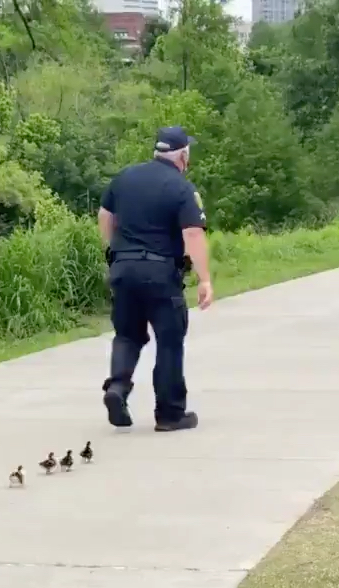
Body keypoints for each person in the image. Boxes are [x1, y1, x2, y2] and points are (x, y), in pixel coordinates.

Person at [97, 126, 214, 432]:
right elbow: (192, 233)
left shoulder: (125, 177)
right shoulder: (181, 188)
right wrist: (204, 279)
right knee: (170, 341)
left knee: (127, 335)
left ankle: (117, 389)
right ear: (183, 155)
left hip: (123, 269)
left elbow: (105, 215)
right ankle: (170, 414)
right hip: (161, 274)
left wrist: (114, 253)